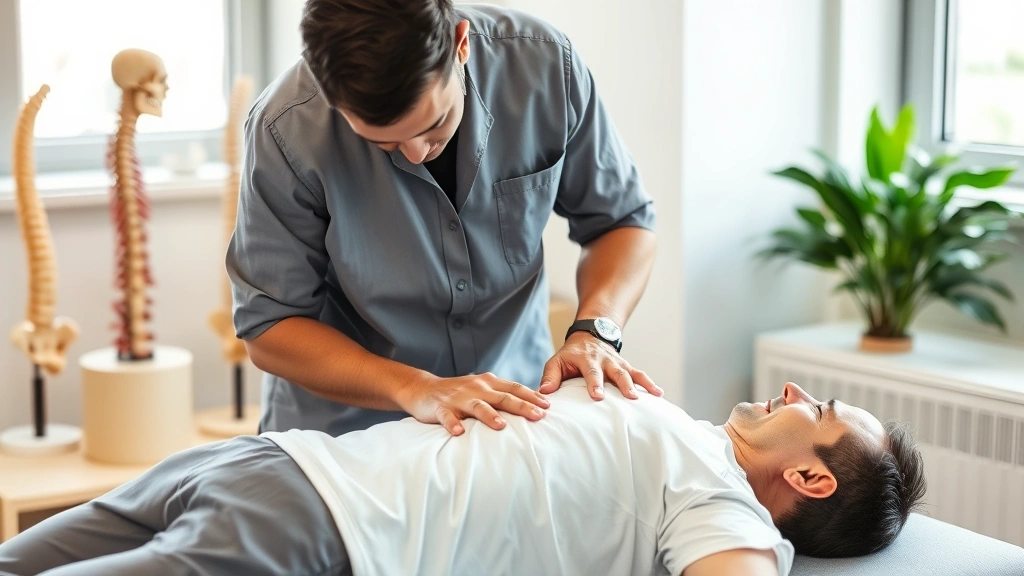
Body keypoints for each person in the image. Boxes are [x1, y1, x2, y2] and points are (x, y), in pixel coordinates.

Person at [227, 0, 660, 437]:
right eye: (383, 143)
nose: (416, 154)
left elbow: (621, 220)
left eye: (434, 125)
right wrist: (414, 387)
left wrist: (595, 332)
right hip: (348, 433)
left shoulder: (544, 65)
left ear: (460, 44)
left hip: (514, 410)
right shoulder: (285, 128)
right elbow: (269, 325)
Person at [0, 382, 926, 575]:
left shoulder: (726, 512)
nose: (794, 392)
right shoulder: (676, 423)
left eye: (820, 409)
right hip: (263, 458)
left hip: (316, 529)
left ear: (809, 480)